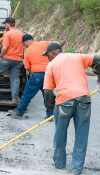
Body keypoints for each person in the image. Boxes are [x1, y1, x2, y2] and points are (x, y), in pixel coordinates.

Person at [42, 42, 100, 175]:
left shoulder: (51, 65)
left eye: (47, 55)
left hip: (64, 102)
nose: (47, 58)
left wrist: (52, 110)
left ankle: (59, 163)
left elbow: (47, 92)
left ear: (52, 52)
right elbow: (98, 60)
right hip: (83, 100)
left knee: (60, 134)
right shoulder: (77, 56)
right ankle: (76, 168)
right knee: (81, 136)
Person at [8, 34, 55, 119]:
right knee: (47, 95)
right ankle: (50, 115)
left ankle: (19, 113)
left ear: (27, 41)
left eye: (24, 43)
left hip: (37, 75)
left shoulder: (27, 51)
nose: (24, 45)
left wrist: (34, 74)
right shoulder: (44, 44)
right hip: (49, 74)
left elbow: (27, 68)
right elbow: (57, 44)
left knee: (27, 94)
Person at [0, 17, 24, 104]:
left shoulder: (8, 34)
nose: (4, 26)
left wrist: (1, 56)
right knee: (15, 79)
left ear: (9, 24)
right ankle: (15, 98)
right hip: (18, 60)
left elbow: (5, 48)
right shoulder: (21, 34)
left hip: (8, 58)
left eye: (5, 24)